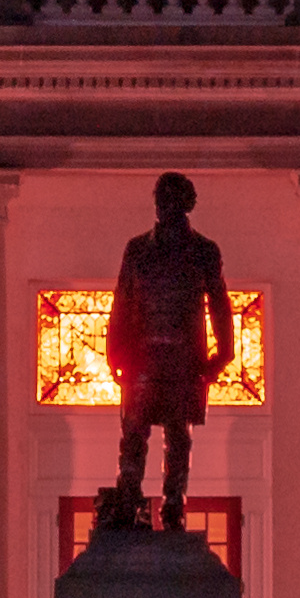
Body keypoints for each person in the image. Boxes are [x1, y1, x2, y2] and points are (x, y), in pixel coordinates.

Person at [100, 173, 237, 534]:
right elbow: (122, 302)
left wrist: (223, 355)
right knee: (133, 434)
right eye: (159, 199)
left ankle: (174, 507)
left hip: (184, 360)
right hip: (141, 359)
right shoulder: (137, 249)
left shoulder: (204, 250)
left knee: (179, 437)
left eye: (170, 200)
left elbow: (219, 305)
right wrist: (114, 353)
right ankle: (127, 502)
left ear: (185, 205)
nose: (163, 207)